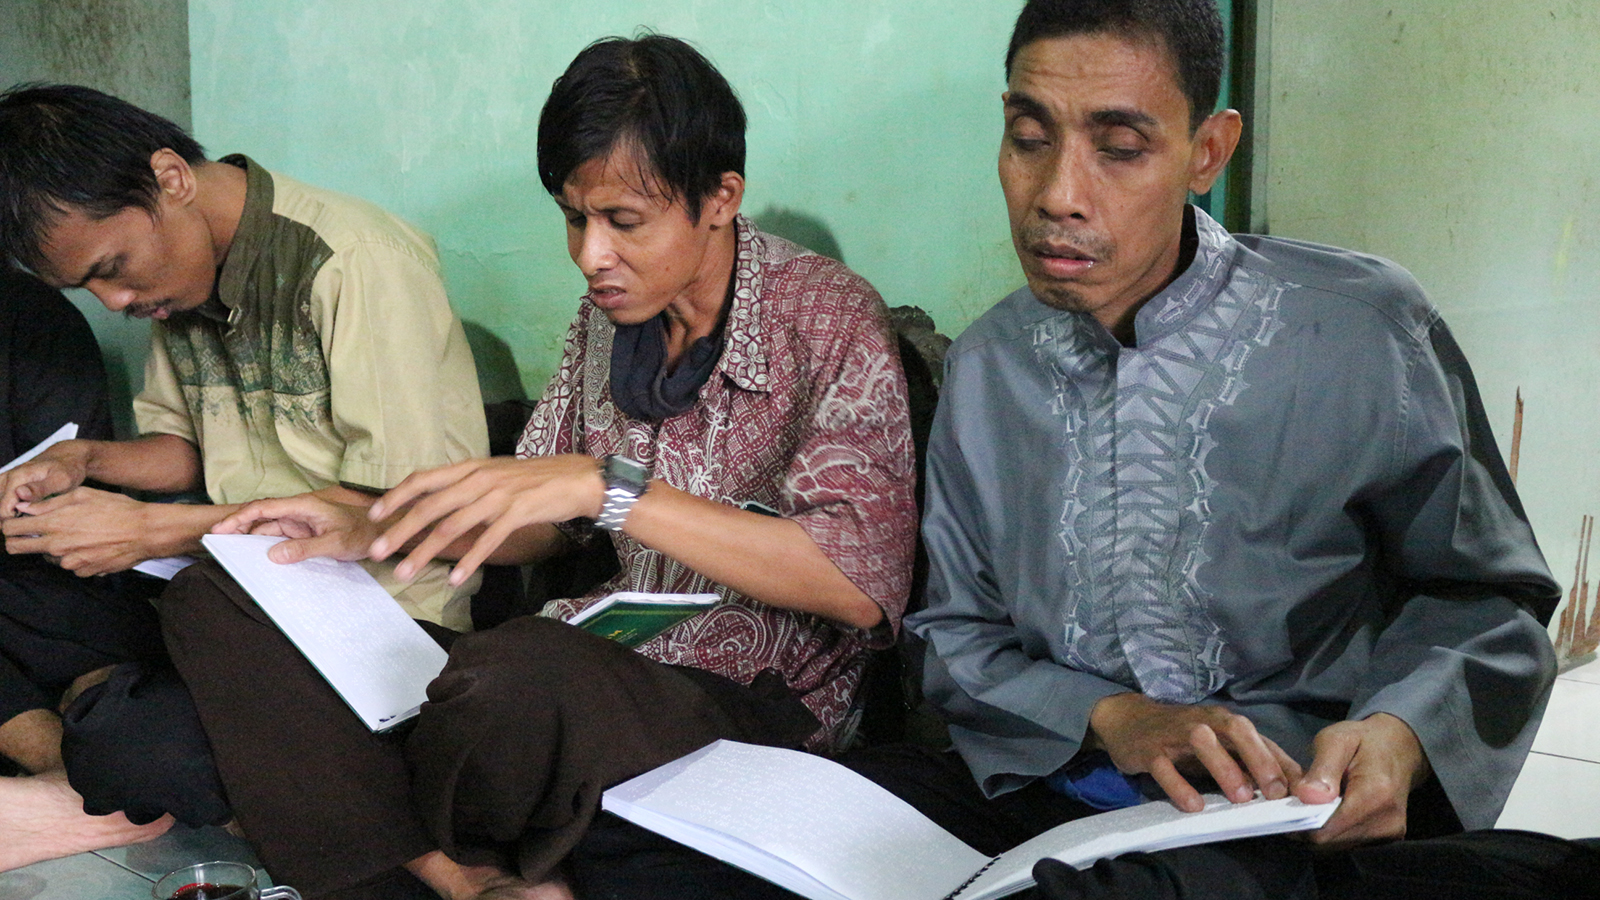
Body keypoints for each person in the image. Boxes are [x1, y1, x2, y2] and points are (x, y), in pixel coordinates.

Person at [152, 34, 918, 900]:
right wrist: (377, 524)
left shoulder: (826, 315)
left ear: (720, 198)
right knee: (217, 599)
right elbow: (543, 521)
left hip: (742, 695)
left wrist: (610, 489)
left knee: (508, 685)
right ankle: (458, 873)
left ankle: (371, 824)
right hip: (584, 661)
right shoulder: (609, 318)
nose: (590, 255)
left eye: (624, 221)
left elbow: (858, 584)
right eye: (573, 217)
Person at [871, 0, 1568, 897]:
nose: (1057, 194)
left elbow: (1489, 597)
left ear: (1208, 151)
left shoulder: (1358, 330)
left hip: (1286, 803)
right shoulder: (987, 365)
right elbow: (955, 633)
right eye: (1029, 139)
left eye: (1120, 148)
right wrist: (1114, 716)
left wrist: (1399, 733)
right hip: (1054, 786)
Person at [0, 84, 488, 869]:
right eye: (87, 289)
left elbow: (387, 509)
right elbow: (183, 448)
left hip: (385, 623)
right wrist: (82, 460)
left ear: (171, 179)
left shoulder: (353, 262)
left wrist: (155, 529)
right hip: (242, 614)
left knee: (133, 746)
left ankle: (395, 842)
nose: (115, 301)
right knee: (38, 608)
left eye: (113, 269)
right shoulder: (181, 283)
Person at [0, 267, 179, 869]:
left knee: (81, 622)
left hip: (46, 568)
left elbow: (58, 493)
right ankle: (75, 788)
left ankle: (82, 783)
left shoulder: (29, 317)